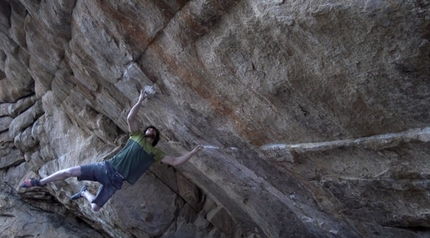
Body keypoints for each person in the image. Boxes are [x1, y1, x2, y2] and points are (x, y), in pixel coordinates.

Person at [21, 89, 204, 211]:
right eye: (149, 129)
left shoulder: (155, 153)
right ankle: (40, 182)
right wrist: (140, 100)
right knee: (70, 171)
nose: (150, 131)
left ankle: (84, 192)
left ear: (155, 139)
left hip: (115, 182)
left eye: (153, 132)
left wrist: (194, 152)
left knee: (95, 208)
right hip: (106, 168)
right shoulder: (137, 136)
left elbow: (175, 161)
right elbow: (131, 118)